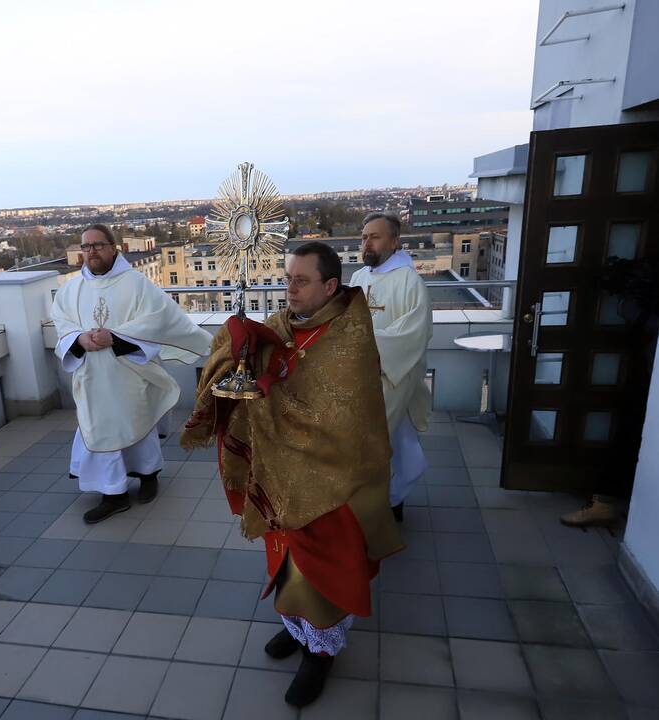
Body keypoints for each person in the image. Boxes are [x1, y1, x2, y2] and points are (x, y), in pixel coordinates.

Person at [182, 242, 403, 708]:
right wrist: (237, 345)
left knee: (321, 569)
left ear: (330, 285)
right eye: (287, 278)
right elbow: (259, 366)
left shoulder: (350, 338)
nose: (290, 288)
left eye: (301, 281)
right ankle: (298, 629)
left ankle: (319, 653)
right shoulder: (284, 326)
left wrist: (269, 391)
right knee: (283, 560)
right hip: (280, 475)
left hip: (331, 481)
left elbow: (336, 416)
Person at [52, 224, 212, 524]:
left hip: (129, 372)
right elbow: (61, 322)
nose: (91, 252)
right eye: (85, 247)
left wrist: (116, 337)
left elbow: (160, 318)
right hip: (92, 377)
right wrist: (78, 339)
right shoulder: (71, 289)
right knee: (101, 430)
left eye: (98, 245)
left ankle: (149, 476)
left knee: (139, 425)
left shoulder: (136, 283)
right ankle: (114, 494)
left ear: (115, 248)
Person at [349, 212, 433, 521]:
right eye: (364, 236)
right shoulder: (359, 278)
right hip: (360, 375)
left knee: (393, 440)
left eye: (375, 236)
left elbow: (415, 332)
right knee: (367, 439)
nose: (366, 242)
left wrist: (371, 350)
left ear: (395, 242)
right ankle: (367, 499)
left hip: (393, 374)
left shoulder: (410, 281)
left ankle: (394, 498)